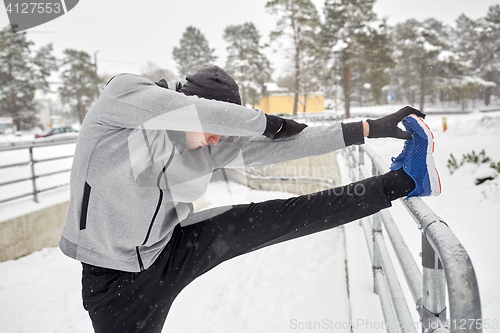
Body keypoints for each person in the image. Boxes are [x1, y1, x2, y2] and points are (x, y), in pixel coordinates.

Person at [59, 66, 440, 333]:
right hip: (114, 281)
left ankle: (403, 181)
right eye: (213, 127)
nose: (215, 140)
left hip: (170, 249)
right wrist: (264, 121)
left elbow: (288, 144)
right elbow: (204, 114)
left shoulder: (208, 148)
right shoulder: (123, 98)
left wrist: (369, 129)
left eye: (221, 132)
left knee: (282, 217)